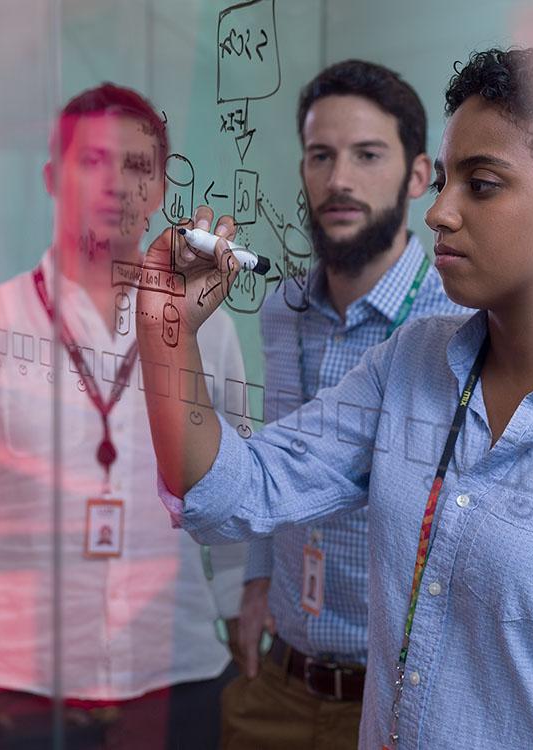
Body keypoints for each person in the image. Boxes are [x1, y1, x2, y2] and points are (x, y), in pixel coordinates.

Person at [136, 48, 533, 749]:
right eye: (444, 181)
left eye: (484, 184)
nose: (439, 212)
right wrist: (166, 327)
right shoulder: (410, 364)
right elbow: (228, 493)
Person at [0, 82, 248, 750]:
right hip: (21, 691)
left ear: (160, 188)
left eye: (138, 167)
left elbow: (229, 505)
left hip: (177, 681)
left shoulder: (207, 330)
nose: (117, 184)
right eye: (93, 162)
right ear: (53, 178)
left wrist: (240, 629)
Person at [223, 60, 465, 750]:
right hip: (279, 684)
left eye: (367, 155)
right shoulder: (283, 310)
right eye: (320, 156)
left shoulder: (456, 319)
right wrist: (257, 581)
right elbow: (275, 458)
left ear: (419, 177)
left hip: (396, 707)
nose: (339, 181)